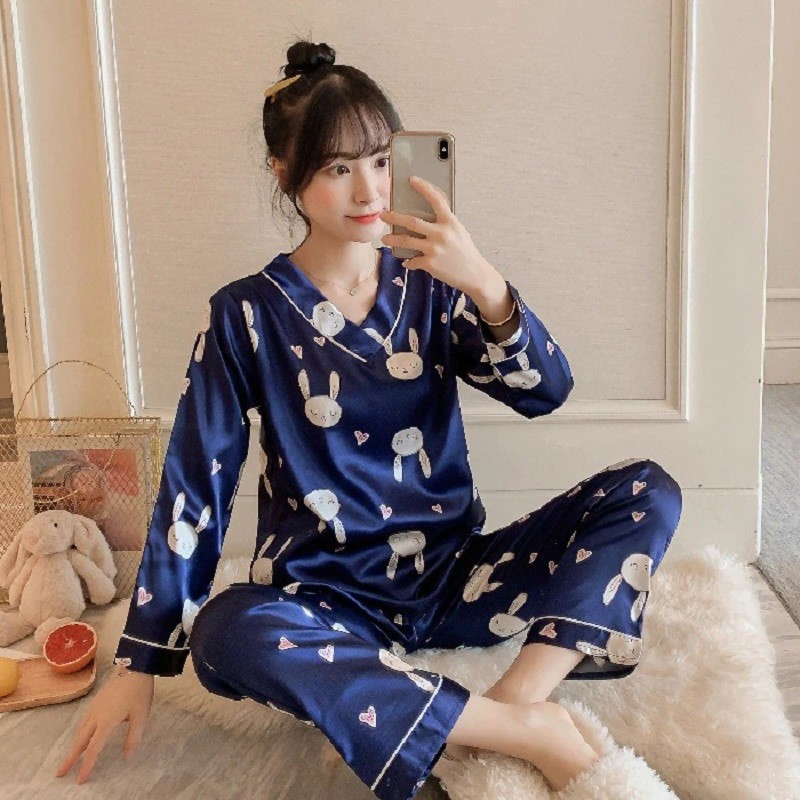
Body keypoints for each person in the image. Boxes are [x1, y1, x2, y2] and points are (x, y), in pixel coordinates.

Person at [55, 38, 683, 799]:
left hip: (454, 579)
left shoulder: (434, 287)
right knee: (226, 632)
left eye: (381, 161)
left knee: (647, 489)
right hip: (326, 600)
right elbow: (197, 482)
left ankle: (516, 703)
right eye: (336, 168)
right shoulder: (245, 315)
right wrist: (140, 660)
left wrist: (485, 284)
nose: (369, 189)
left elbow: (544, 392)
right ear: (284, 173)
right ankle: (517, 731)